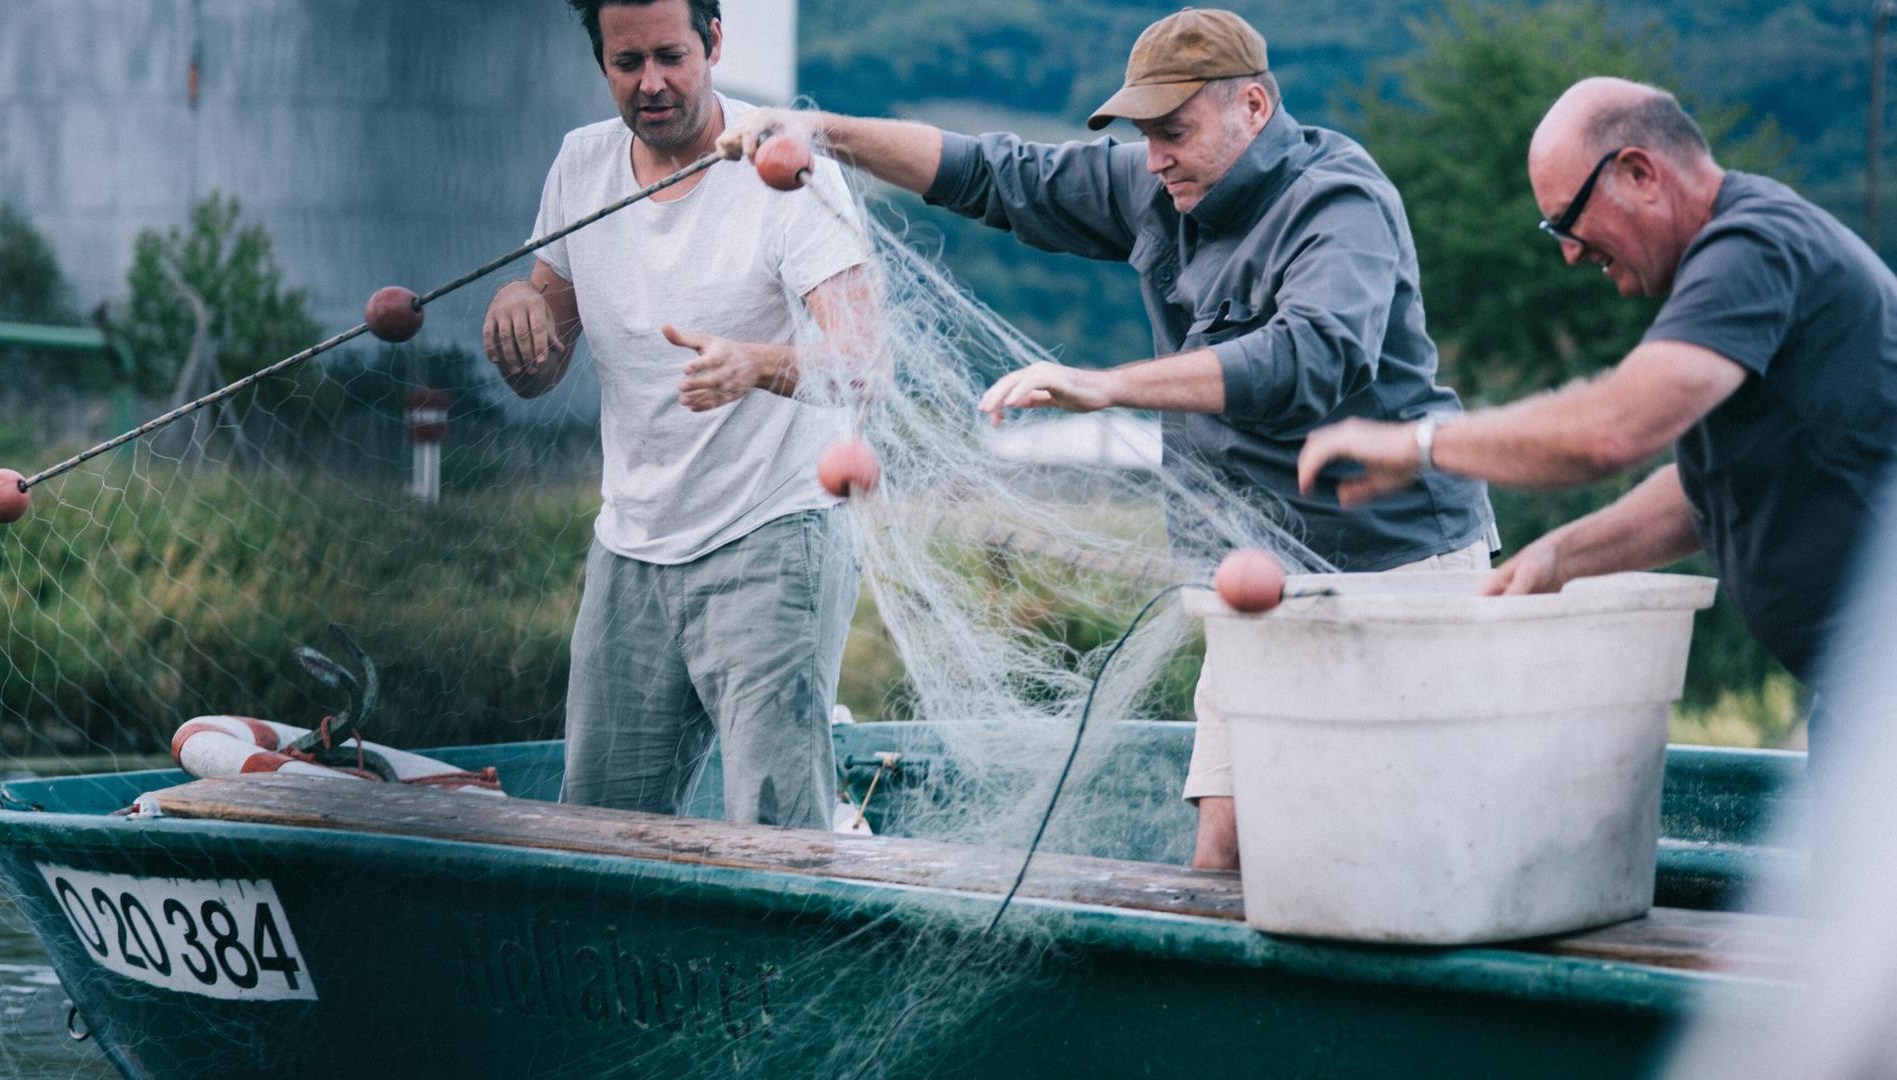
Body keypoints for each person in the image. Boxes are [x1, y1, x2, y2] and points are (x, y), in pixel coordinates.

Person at [719, 8, 1495, 868]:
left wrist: (1109, 386)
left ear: (1254, 107)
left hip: (1397, 568)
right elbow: (991, 174)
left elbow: (1305, 358)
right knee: (1224, 850)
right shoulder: (1158, 189)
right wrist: (816, 132)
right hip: (1253, 580)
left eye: (1174, 131)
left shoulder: (1339, 202)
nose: (1154, 156)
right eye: (1143, 135)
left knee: (1413, 856)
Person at [1299, 77, 1897, 725]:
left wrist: (1419, 444)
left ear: (1639, 173)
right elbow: (1707, 493)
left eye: (1569, 219)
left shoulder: (1754, 250)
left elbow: (1613, 432)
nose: (1569, 252)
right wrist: (1562, 556)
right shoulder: (1736, 261)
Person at [482, 0, 874, 829]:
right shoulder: (579, 168)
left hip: (774, 538)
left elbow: (865, 364)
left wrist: (757, 364)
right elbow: (539, 371)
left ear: (715, 43)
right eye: (627, 64)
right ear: (601, 65)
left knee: (776, 837)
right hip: (630, 546)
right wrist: (518, 310)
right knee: (597, 830)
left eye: (671, 56)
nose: (651, 84)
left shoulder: (785, 172)